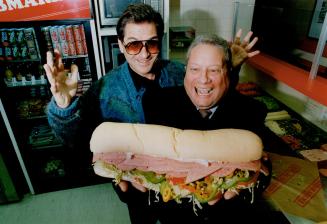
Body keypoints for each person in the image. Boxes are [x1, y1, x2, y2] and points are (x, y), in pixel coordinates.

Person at [43, 3, 260, 224]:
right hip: (136, 186)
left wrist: (228, 67)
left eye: (151, 43)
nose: (144, 53)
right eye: (134, 44)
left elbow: (208, 93)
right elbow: (76, 141)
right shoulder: (104, 91)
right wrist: (64, 104)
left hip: (183, 183)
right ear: (120, 44)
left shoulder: (177, 72)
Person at [142, 34, 273, 223]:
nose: (203, 79)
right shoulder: (157, 103)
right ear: (185, 71)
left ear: (228, 72)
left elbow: (260, 170)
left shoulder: (251, 112)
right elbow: (145, 165)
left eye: (214, 70)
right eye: (195, 69)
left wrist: (239, 188)